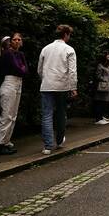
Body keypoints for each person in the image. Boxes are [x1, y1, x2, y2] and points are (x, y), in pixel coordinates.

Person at [37, 25, 77, 155]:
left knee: (47, 114)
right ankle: (59, 140)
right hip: (61, 86)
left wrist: (45, 79)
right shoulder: (69, 49)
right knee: (61, 113)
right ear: (65, 35)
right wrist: (73, 87)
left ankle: (48, 146)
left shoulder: (45, 49)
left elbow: (40, 69)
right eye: (69, 35)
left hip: (46, 85)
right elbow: (72, 71)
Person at [0, 32, 28, 155]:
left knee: (13, 115)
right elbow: (18, 68)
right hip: (9, 82)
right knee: (7, 114)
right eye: (15, 39)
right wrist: (21, 69)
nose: (17, 41)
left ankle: (6, 141)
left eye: (19, 39)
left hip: (18, 83)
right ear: (10, 41)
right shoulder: (8, 54)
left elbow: (25, 69)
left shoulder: (20, 54)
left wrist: (22, 69)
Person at [92, 52, 109, 125]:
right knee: (100, 102)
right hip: (102, 86)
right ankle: (98, 119)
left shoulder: (108, 65)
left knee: (104, 102)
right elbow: (98, 76)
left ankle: (101, 116)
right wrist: (105, 79)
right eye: (108, 56)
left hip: (107, 86)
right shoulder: (100, 65)